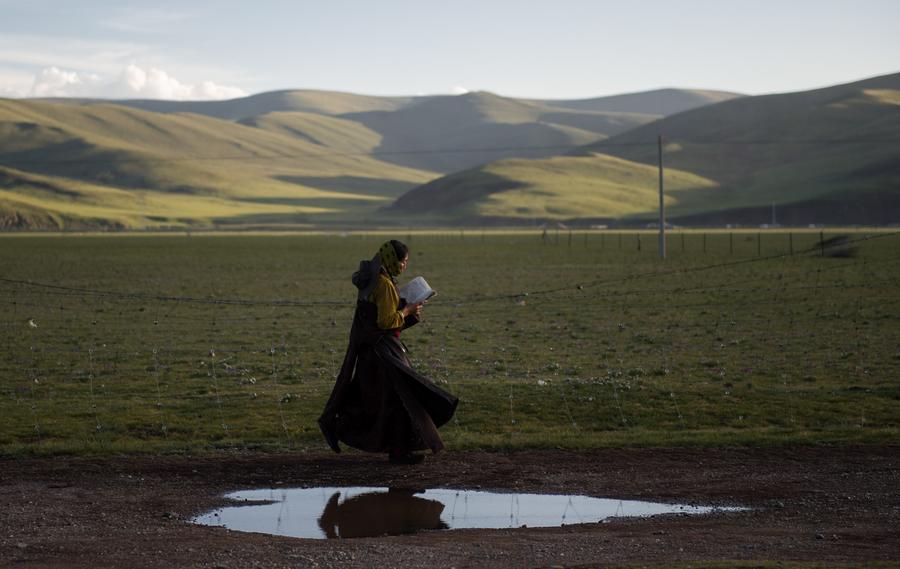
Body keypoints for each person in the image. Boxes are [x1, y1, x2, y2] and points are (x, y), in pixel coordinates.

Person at [318, 240, 458, 464]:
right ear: (393, 260)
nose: (404, 266)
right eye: (403, 262)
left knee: (379, 402)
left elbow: (375, 317)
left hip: (370, 351)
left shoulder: (374, 279)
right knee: (398, 399)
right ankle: (344, 430)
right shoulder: (383, 285)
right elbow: (386, 321)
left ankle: (397, 450)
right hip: (382, 353)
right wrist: (408, 309)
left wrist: (403, 308)